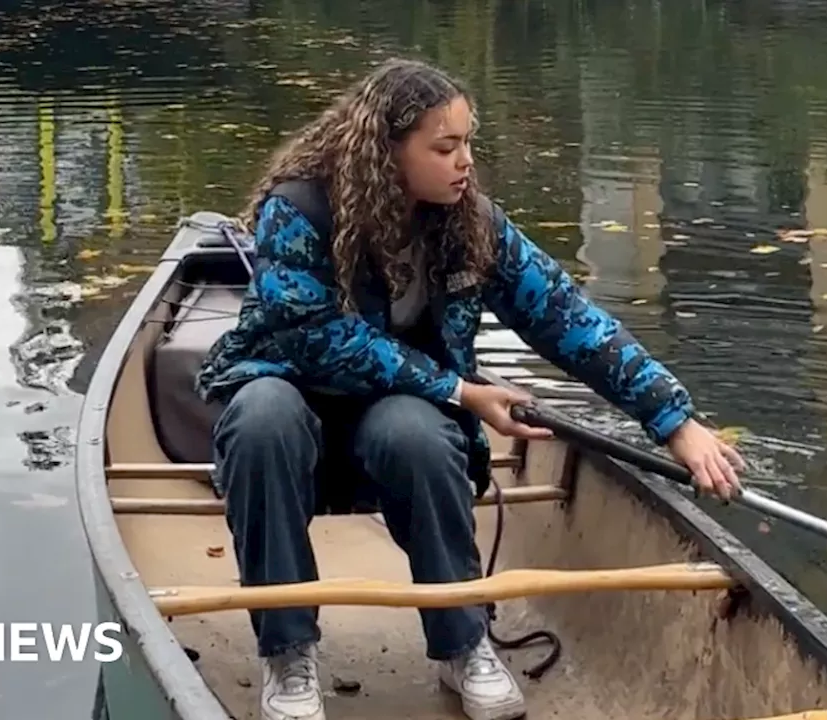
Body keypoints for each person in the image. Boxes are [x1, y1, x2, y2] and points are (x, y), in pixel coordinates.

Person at [194, 58, 745, 720]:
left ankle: (462, 642)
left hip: (395, 411)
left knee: (417, 433)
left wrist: (674, 421)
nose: (465, 162)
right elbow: (317, 341)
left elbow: (568, 319)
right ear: (387, 152)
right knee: (260, 421)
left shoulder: (470, 223)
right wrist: (460, 389)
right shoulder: (298, 210)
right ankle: (286, 652)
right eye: (445, 147)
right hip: (286, 390)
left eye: (467, 143)